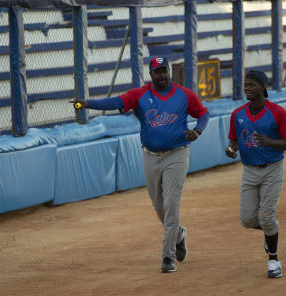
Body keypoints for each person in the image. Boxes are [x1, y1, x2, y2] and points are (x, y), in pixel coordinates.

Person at [72, 56, 209, 273]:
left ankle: (168, 257)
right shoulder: (140, 95)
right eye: (157, 71)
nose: (161, 75)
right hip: (151, 155)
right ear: (151, 74)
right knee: (160, 206)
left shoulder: (184, 94)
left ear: (169, 72)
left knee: (172, 202)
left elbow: (203, 113)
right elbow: (117, 102)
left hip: (177, 154)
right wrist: (88, 103)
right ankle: (179, 234)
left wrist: (197, 131)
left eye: (164, 71)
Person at [225, 70, 286, 278]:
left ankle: (274, 261)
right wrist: (231, 149)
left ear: (262, 88)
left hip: (272, 168)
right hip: (249, 170)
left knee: (267, 215)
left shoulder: (278, 112)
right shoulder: (237, 114)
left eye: (251, 85)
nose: (246, 88)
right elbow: (234, 140)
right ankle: (270, 233)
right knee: (247, 220)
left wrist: (270, 142)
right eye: (245, 85)